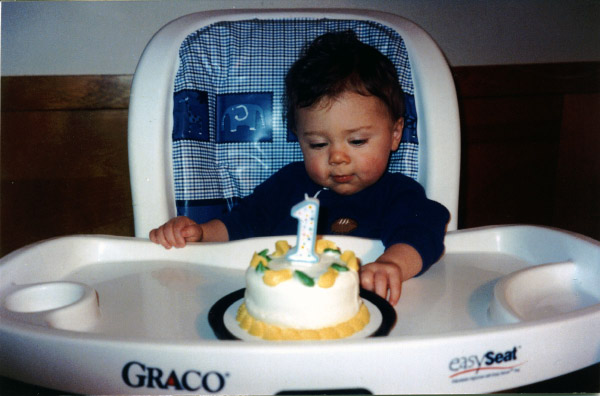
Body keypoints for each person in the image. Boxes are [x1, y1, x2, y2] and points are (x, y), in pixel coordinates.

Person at [150, 30, 450, 305]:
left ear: (395, 134)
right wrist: (198, 233)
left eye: (357, 141)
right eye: (319, 144)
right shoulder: (288, 185)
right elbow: (241, 224)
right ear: (299, 139)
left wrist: (392, 264)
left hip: (363, 308)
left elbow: (422, 231)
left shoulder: (398, 193)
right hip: (281, 305)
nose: (338, 158)